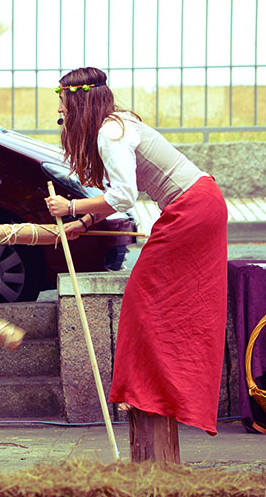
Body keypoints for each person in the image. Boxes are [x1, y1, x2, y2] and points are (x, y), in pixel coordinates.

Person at [45, 67, 228, 439]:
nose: (59, 109)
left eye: (61, 98)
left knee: (144, 297)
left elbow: (125, 196)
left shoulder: (110, 133)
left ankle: (148, 392)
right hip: (198, 203)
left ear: (78, 99)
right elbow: (121, 196)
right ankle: (156, 391)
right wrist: (85, 223)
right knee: (164, 301)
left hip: (192, 209)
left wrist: (72, 209)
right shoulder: (116, 124)